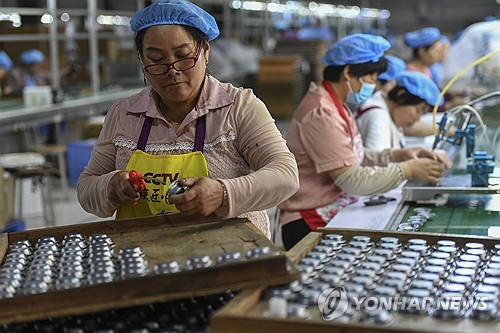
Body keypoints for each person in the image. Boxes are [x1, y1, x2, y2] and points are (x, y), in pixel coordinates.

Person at [76, 0, 299, 239]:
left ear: (205, 51)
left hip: (230, 257)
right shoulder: (124, 114)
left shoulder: (238, 108)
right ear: (142, 60)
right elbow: (86, 187)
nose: (172, 70)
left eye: (183, 56)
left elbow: (285, 175)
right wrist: (111, 187)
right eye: (156, 59)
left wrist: (223, 193)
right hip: (143, 259)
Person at [278, 34, 449, 250]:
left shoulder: (336, 105)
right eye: (370, 78)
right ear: (348, 72)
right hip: (307, 221)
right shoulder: (321, 112)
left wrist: (397, 156)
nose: (374, 85)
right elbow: (352, 180)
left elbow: (351, 155)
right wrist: (407, 170)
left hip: (331, 207)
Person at [357, 71, 444, 150]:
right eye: (418, 110)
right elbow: (377, 162)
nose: (418, 118)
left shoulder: (386, 111)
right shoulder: (378, 117)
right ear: (401, 96)